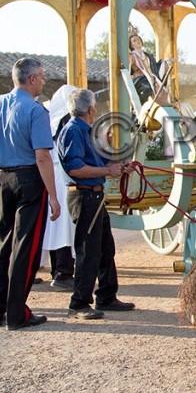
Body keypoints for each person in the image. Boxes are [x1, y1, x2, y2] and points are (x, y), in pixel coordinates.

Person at [0, 58, 61, 330]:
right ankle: (17, 312)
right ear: (32, 78)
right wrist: (53, 195)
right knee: (27, 247)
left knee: (4, 244)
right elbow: (42, 156)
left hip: (0, 178)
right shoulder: (36, 111)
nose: (43, 82)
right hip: (28, 178)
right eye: (43, 77)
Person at [58, 88, 135, 320]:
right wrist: (108, 170)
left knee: (105, 247)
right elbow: (74, 168)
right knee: (88, 251)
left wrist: (121, 165)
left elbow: (102, 159)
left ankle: (106, 296)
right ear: (90, 109)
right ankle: (79, 302)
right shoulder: (73, 131)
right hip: (84, 195)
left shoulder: (86, 131)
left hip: (94, 195)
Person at [42, 85, 77, 290]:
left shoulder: (52, 121)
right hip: (64, 173)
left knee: (58, 226)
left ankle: (59, 269)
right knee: (64, 226)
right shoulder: (67, 121)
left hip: (55, 173)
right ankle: (63, 272)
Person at [129, 33, 169, 104]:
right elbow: (128, 68)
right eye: (134, 41)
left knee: (164, 93)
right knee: (147, 90)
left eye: (138, 39)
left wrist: (165, 62)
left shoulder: (148, 56)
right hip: (141, 81)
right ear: (131, 45)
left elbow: (155, 68)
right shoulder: (132, 56)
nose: (138, 41)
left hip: (153, 79)